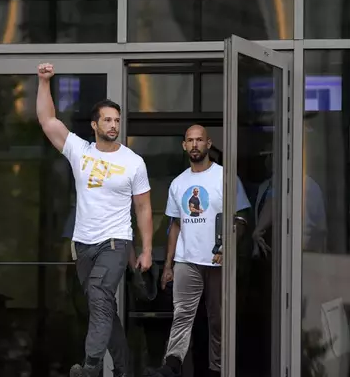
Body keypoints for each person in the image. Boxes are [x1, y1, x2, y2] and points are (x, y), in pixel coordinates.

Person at [36, 63, 154, 377]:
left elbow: (143, 208)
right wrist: (44, 81)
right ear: (95, 124)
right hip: (84, 245)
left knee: (101, 297)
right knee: (101, 307)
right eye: (108, 120)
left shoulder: (133, 162)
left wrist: (145, 250)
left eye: (117, 120)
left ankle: (91, 367)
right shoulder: (81, 151)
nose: (114, 125)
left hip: (116, 242)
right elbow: (48, 120)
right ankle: (123, 368)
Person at [145, 125, 252, 377]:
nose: (194, 145)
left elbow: (242, 219)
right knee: (182, 314)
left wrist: (228, 245)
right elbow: (174, 225)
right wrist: (168, 266)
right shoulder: (178, 183)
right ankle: (172, 365)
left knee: (218, 320)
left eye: (199, 140)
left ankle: (217, 369)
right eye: (190, 141)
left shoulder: (225, 177)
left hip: (218, 261)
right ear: (184, 145)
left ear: (208, 143)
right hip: (187, 261)